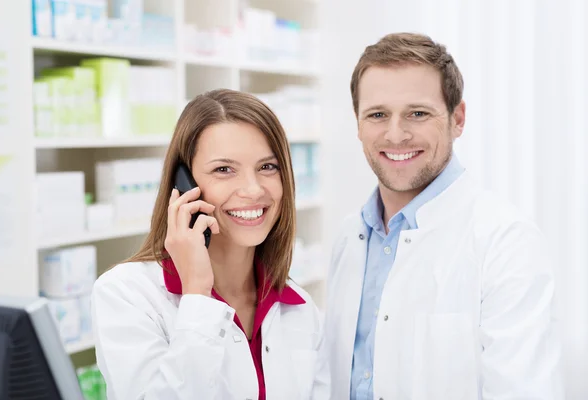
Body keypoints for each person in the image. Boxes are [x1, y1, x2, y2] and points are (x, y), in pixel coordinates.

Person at [323, 33, 564, 399]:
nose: (395, 134)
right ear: (357, 124)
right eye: (377, 114)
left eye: (417, 113)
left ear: (458, 119)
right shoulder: (348, 237)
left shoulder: (505, 242)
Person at [91, 89, 330, 399]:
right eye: (223, 170)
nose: (252, 189)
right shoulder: (126, 295)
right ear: (184, 186)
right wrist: (197, 297)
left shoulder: (299, 308)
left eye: (267, 167)